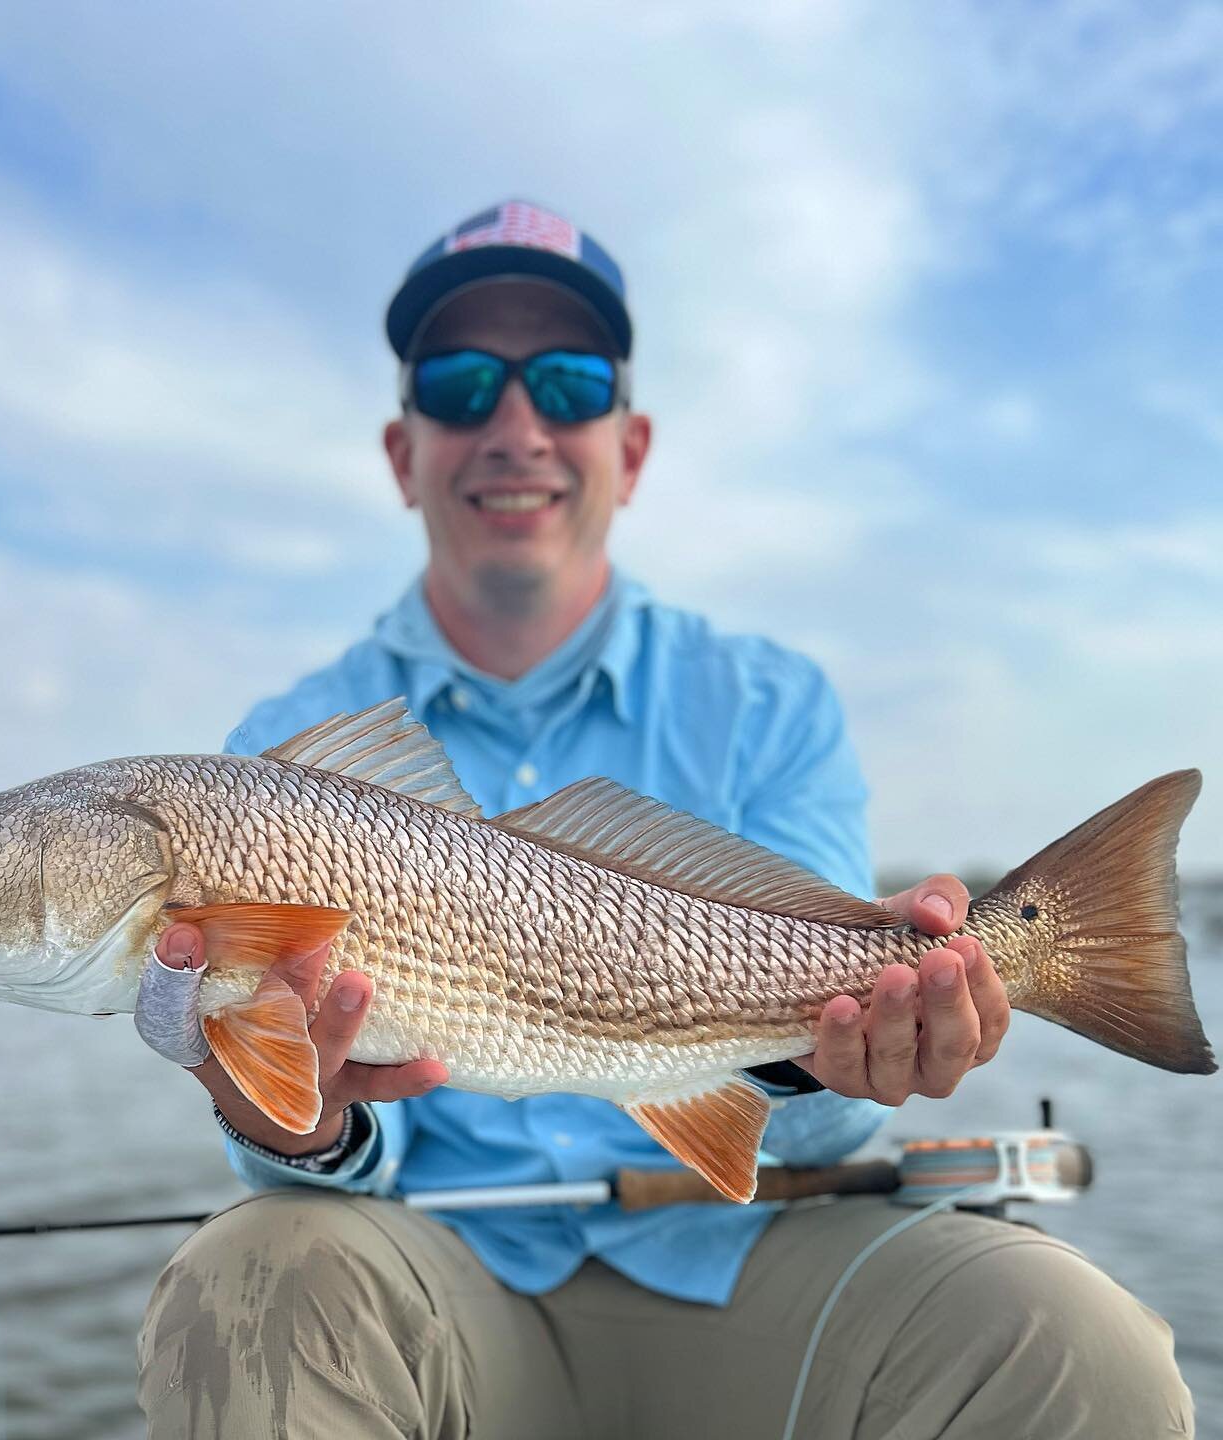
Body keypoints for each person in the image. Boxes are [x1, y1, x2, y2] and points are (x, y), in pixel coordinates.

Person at [135, 202, 1193, 1438]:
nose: (516, 426)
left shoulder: (766, 699)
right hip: (433, 1285)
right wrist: (291, 1131)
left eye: (568, 383)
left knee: (1078, 1345)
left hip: (758, 1258)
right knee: (249, 1272)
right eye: (462, 382)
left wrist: (836, 1042)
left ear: (629, 448)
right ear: (402, 447)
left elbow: (837, 1097)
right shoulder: (287, 742)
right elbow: (288, 1148)